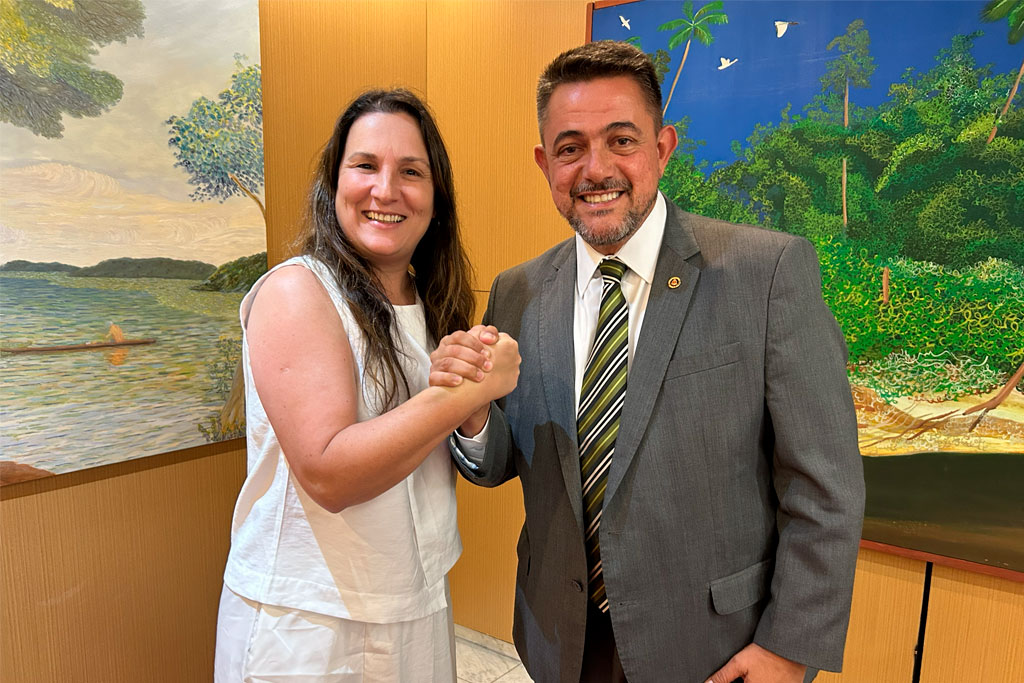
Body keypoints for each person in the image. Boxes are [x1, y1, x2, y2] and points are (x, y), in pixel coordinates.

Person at [430, 42, 864, 683]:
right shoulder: (517, 291)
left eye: (621, 140)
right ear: (544, 162)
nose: (595, 168)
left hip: (713, 648)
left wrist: (790, 647)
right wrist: (467, 417)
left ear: (661, 148)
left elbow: (825, 487)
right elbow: (501, 466)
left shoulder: (766, 274)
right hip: (560, 639)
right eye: (571, 147)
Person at [214, 88, 520, 682]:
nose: (386, 190)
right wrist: (470, 390)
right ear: (334, 183)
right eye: (365, 166)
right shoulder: (297, 292)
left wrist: (473, 415)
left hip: (416, 601)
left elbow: (448, 450)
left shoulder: (433, 303)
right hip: (308, 621)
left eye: (411, 171)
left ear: (436, 198)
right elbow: (328, 472)